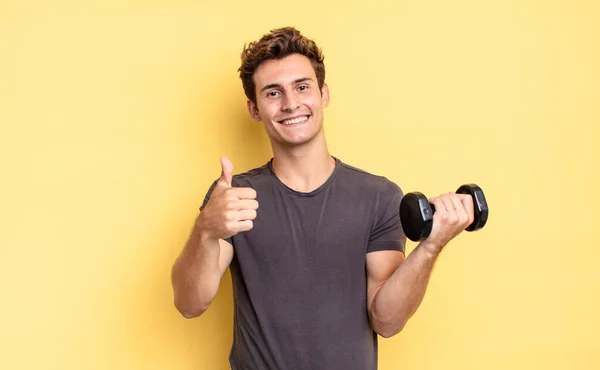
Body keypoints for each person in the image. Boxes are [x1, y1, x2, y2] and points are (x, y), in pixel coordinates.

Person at [171, 27, 475, 370]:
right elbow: (188, 304)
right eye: (273, 93)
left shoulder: (378, 197)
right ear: (254, 108)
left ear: (323, 94)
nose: (291, 103)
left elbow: (387, 321)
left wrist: (430, 248)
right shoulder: (233, 198)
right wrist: (205, 230)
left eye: (302, 87)